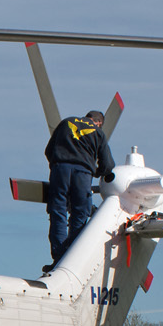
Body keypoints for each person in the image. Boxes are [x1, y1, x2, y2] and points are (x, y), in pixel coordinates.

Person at [44, 109, 115, 270]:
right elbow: (108, 165)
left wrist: (56, 166)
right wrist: (96, 172)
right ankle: (72, 255)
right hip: (82, 174)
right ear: (99, 123)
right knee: (80, 213)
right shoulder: (98, 132)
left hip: (59, 169)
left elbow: (48, 151)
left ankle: (58, 255)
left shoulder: (66, 122)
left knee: (57, 211)